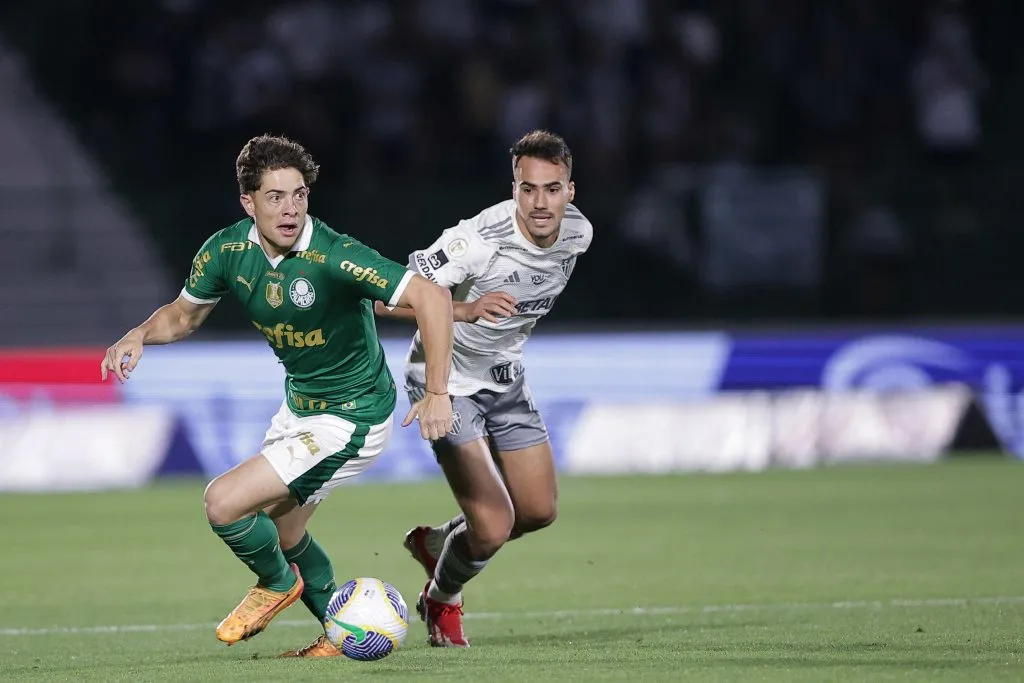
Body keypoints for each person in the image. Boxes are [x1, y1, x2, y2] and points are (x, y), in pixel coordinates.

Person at [99, 134, 455, 658]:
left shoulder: (334, 255)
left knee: (223, 503)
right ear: (249, 202)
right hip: (300, 408)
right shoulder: (227, 251)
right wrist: (138, 334)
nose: (290, 209)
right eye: (275, 196)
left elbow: (432, 297)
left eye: (299, 195)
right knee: (286, 532)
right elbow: (182, 314)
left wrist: (438, 391)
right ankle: (343, 635)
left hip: (352, 417)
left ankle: (275, 583)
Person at [374, 130, 592, 647]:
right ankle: (441, 601)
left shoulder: (579, 234)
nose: (540, 203)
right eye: (528, 188)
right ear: (513, 187)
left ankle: (437, 543)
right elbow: (384, 300)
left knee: (536, 512)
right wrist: (466, 309)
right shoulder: (475, 241)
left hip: (505, 377)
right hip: (444, 382)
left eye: (552, 189)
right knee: (494, 525)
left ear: (571, 191)